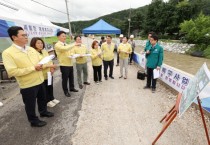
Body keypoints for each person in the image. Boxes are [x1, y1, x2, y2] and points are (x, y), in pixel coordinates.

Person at [2, 26, 54, 127]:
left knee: (42, 98)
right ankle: (33, 121)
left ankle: (43, 112)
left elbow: (39, 63)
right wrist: (33, 68)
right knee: (30, 104)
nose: (26, 37)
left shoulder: (30, 49)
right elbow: (12, 71)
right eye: (23, 35)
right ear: (14, 37)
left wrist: (45, 66)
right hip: (28, 84)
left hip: (40, 79)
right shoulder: (8, 53)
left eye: (26, 35)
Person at [30, 37, 60, 107]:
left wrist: (52, 67)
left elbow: (50, 60)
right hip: (41, 74)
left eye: (41, 43)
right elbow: (38, 65)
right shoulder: (33, 53)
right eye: (38, 43)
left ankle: (52, 98)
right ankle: (47, 101)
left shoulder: (44, 51)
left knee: (50, 86)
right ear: (33, 44)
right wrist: (49, 66)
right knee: (44, 89)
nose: (40, 45)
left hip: (49, 73)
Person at [54, 31, 79, 98]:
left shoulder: (66, 44)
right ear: (58, 37)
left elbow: (69, 51)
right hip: (64, 64)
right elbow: (64, 49)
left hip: (70, 63)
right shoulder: (57, 45)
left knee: (71, 77)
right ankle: (66, 91)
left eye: (65, 36)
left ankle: (72, 88)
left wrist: (72, 55)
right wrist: (74, 44)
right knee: (65, 79)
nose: (64, 37)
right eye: (63, 36)